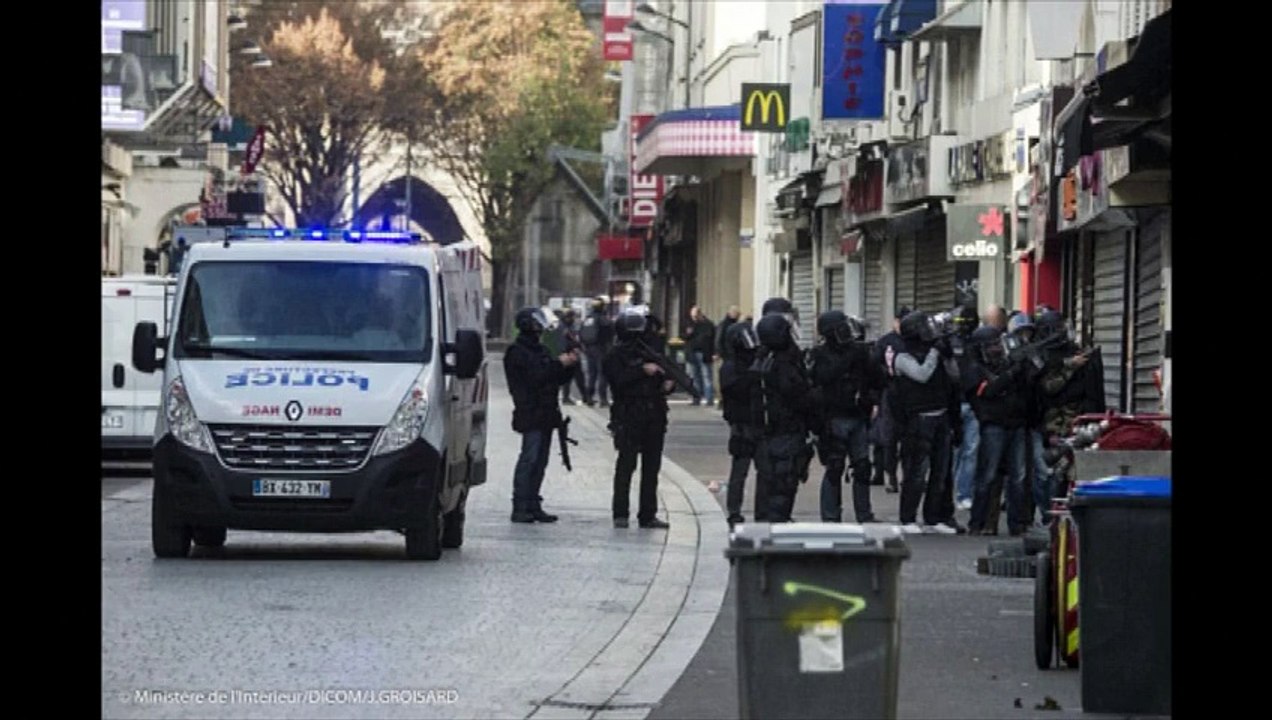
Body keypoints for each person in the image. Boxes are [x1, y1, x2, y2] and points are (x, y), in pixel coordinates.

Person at [504, 307, 579, 524]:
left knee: (540, 461)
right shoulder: (517, 352)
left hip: (546, 412)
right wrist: (559, 363)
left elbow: (554, 377)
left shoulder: (541, 349)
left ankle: (533, 503)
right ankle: (520, 505)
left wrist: (569, 365)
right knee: (529, 458)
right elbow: (537, 376)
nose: (539, 327)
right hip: (530, 411)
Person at [892, 311, 961, 535]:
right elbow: (922, 375)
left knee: (940, 472)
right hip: (919, 419)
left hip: (941, 416)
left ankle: (933, 517)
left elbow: (955, 377)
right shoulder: (902, 356)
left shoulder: (936, 352)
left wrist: (948, 355)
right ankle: (908, 518)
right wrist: (935, 352)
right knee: (917, 472)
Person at [604, 309, 674, 529]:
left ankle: (648, 514)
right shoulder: (615, 355)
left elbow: (664, 377)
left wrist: (667, 384)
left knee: (651, 467)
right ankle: (620, 513)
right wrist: (641, 370)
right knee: (626, 465)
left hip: (654, 413)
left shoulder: (650, 352)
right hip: (628, 414)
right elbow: (618, 381)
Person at [809, 312, 881, 523]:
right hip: (833, 418)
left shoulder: (860, 351)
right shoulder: (819, 354)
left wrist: (871, 398)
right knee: (834, 467)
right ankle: (830, 516)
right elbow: (821, 379)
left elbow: (877, 378)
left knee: (862, 466)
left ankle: (864, 514)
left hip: (858, 415)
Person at [964, 326, 1031, 536]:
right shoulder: (975, 369)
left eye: (997, 344)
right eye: (991, 346)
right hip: (993, 425)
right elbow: (988, 390)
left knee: (1018, 477)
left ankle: (1017, 523)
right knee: (988, 475)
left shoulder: (1009, 362)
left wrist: (1023, 365)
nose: (997, 349)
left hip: (1016, 423)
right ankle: (978, 521)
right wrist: (1011, 373)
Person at [750, 308, 815, 523]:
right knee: (784, 480)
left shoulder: (761, 358)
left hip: (765, 432)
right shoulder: (784, 363)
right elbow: (799, 396)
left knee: (767, 480)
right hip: (786, 429)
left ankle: (766, 520)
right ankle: (777, 521)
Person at [719, 320, 765, 526]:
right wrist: (753, 375)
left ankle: (762, 512)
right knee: (740, 471)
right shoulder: (730, 366)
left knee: (763, 471)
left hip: (758, 421)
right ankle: (734, 511)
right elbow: (733, 389)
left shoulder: (756, 360)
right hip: (741, 424)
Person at [870, 307, 910, 493]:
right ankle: (890, 475)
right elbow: (874, 367)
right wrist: (876, 399)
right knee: (889, 437)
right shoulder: (886, 342)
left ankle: (907, 475)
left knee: (909, 437)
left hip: (910, 394)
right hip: (889, 392)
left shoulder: (914, 340)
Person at [950, 305, 982, 510]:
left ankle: (963, 493)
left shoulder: (979, 343)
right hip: (954, 403)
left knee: (970, 451)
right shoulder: (948, 343)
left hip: (973, 402)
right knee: (955, 451)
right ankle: (950, 493)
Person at [580, 296, 614, 408]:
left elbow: (581, 333)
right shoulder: (603, 319)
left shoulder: (587, 319)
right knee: (603, 373)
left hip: (589, 349)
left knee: (592, 374)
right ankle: (603, 399)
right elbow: (610, 332)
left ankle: (589, 397)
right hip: (601, 348)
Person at [683, 306, 717, 406]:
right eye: (692, 316)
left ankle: (709, 398)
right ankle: (696, 397)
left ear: (699, 314)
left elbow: (712, 339)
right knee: (694, 376)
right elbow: (684, 337)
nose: (694, 318)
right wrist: (688, 333)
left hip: (704, 353)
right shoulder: (690, 324)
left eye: (695, 316)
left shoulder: (708, 324)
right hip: (692, 353)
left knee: (706, 376)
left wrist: (715, 353)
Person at [555, 308, 586, 405]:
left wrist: (578, 347)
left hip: (572, 353)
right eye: (572, 317)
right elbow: (563, 341)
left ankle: (584, 396)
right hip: (569, 354)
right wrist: (566, 352)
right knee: (571, 377)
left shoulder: (568, 326)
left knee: (578, 376)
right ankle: (567, 397)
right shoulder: (563, 327)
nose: (573, 319)